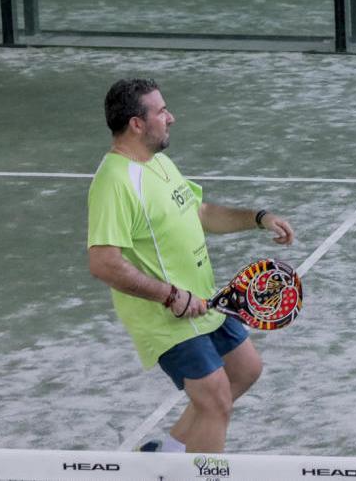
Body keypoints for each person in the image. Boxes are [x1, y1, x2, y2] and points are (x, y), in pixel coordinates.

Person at [87, 78, 296, 452]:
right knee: (214, 401)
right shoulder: (114, 182)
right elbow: (104, 263)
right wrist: (170, 296)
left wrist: (258, 217)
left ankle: (163, 458)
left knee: (245, 370)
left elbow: (200, 213)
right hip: (165, 316)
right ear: (137, 123)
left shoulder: (159, 163)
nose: (172, 117)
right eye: (162, 111)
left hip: (204, 300)